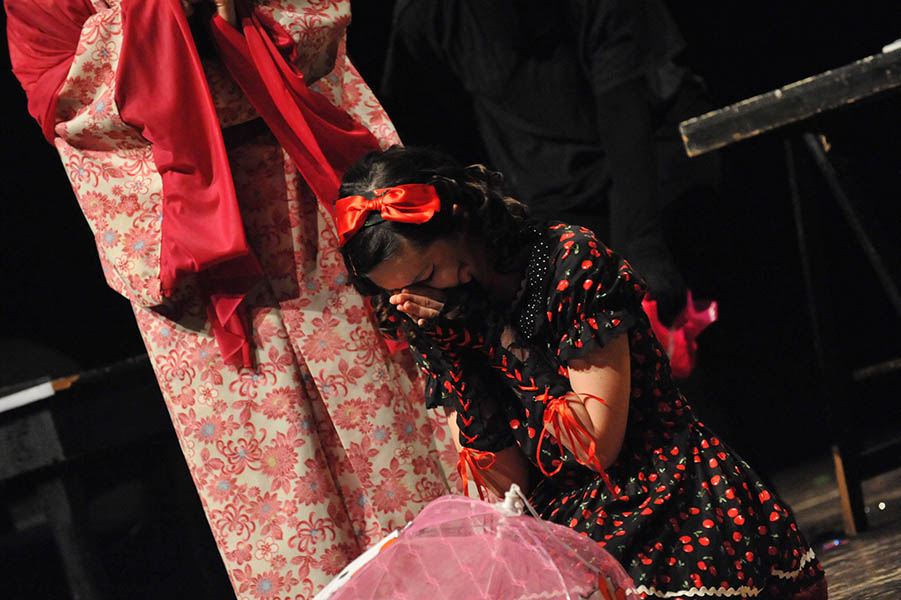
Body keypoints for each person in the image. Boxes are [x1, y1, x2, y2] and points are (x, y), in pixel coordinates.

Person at [5, 1, 457, 597]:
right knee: (280, 495)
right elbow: (60, 94)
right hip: (182, 235)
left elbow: (318, 24)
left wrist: (200, 30)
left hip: (309, 192)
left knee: (401, 436)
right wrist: (168, 15)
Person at [336, 146, 828, 599]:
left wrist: (496, 335)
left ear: (458, 220)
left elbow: (597, 445)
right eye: (399, 294)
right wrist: (457, 356)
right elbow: (505, 491)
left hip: (663, 495)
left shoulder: (566, 261)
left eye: (426, 276)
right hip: (564, 523)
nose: (421, 299)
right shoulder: (441, 316)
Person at [380, 0, 724, 326]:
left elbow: (624, 112)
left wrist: (643, 245)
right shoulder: (427, 14)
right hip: (545, 187)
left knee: (662, 300)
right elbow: (419, 125)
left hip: (653, 156)